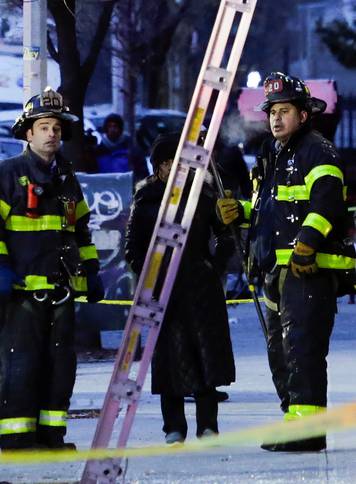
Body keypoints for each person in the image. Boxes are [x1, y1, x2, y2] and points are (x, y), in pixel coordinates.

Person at [217, 72, 355, 452]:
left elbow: (327, 202)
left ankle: (307, 431)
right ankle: (294, 420)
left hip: (307, 271)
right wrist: (240, 212)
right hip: (277, 271)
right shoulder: (272, 154)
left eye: (285, 111)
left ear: (303, 115)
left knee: (303, 349)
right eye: (273, 111)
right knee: (282, 351)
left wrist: (306, 245)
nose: (276, 119)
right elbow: (271, 211)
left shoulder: (317, 151)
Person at [0, 87, 104, 451]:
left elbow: (81, 230)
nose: (51, 134)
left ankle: (51, 435)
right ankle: (15, 438)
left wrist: (91, 269)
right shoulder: (7, 174)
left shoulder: (67, 179)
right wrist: (1, 268)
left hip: (61, 293)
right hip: (20, 295)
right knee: (20, 366)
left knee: (60, 369)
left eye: (57, 128)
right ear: (28, 133)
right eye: (44, 126)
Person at [125, 132, 235, 445]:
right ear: (159, 166)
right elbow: (132, 247)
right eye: (170, 161)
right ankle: (173, 426)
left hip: (202, 290)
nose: (177, 167)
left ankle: (208, 425)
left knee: (206, 360)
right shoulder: (146, 198)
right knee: (169, 361)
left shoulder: (204, 194)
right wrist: (152, 277)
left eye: (182, 161)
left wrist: (214, 264)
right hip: (164, 292)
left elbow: (224, 236)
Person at [94, 113, 148, 184]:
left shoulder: (132, 150)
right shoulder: (98, 151)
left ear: (120, 129)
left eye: (115, 126)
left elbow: (143, 174)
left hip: (127, 189)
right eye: (109, 126)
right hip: (104, 190)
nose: (112, 129)